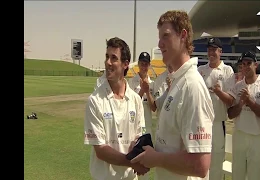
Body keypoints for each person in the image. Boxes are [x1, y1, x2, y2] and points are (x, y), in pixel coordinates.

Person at [130, 10, 214, 180]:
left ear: (183, 36)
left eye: (166, 36)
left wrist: (156, 158)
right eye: (159, 38)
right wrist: (147, 152)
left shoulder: (192, 86)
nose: (160, 44)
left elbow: (200, 165)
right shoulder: (177, 82)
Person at [84, 37, 149, 180]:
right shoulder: (95, 100)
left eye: (114, 58)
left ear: (125, 64)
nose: (108, 62)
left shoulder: (135, 100)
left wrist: (140, 151)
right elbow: (100, 150)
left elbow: (139, 137)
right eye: (107, 57)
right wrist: (132, 162)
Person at [197, 37, 235, 180]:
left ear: (220, 51)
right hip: (202, 124)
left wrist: (219, 92)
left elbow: (231, 101)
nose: (211, 52)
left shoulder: (227, 70)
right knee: (202, 161)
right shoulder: (201, 70)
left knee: (217, 163)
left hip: (218, 123)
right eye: (209, 49)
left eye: (214, 49)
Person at [227, 51, 260, 180]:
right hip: (240, 135)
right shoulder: (238, 86)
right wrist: (241, 104)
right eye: (243, 64)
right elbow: (230, 114)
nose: (246, 66)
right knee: (237, 173)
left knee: (256, 175)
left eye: (249, 63)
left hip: (257, 137)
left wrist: (250, 102)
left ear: (256, 65)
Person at [128, 52, 154, 135]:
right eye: (142, 64)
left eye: (146, 64)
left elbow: (153, 108)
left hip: (147, 124)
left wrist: (147, 92)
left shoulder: (152, 83)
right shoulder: (131, 82)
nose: (143, 67)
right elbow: (131, 105)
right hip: (134, 123)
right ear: (138, 64)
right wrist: (142, 90)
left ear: (149, 65)